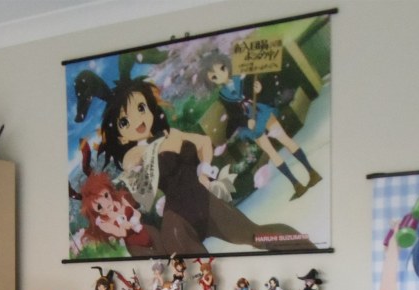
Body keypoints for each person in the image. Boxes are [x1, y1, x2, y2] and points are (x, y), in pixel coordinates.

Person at [98, 78, 315, 254]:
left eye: (140, 108)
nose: (138, 120)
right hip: (179, 219)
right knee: (198, 272)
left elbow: (203, 143)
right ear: (121, 136)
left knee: (256, 236)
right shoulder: (135, 153)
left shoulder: (173, 134)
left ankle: (309, 250)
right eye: (124, 122)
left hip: (206, 201)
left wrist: (203, 170)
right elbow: (133, 169)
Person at [200, 50, 322, 200]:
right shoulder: (223, 95)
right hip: (250, 125)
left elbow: (262, 90)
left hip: (263, 112)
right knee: (271, 152)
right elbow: (234, 115)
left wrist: (260, 89)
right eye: (214, 76)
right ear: (211, 81)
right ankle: (296, 185)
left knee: (285, 139)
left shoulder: (243, 78)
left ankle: (312, 172)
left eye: (222, 68)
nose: (220, 75)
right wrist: (246, 122)